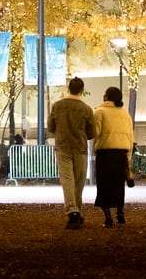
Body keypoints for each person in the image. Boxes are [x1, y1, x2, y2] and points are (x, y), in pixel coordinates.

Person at [47, 76, 95, 230]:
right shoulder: (87, 109)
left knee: (67, 180)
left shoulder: (57, 106)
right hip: (80, 148)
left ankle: (73, 212)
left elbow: (50, 127)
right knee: (79, 183)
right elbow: (92, 132)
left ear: (68, 88)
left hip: (62, 147)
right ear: (82, 90)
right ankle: (76, 211)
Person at [93, 86, 134, 228]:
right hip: (121, 154)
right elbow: (130, 137)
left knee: (104, 186)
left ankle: (108, 217)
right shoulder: (125, 114)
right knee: (118, 186)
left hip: (105, 153)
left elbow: (95, 133)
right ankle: (121, 215)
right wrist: (129, 157)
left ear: (106, 97)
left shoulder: (99, 112)